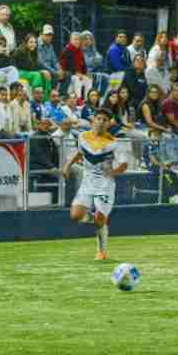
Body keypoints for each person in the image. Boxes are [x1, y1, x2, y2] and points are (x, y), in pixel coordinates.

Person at [62, 108, 128, 260]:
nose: (101, 122)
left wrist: (113, 172)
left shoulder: (114, 143)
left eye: (105, 120)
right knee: (75, 215)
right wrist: (67, 165)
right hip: (87, 182)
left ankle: (101, 251)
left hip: (105, 185)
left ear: (109, 124)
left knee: (100, 219)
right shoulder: (83, 137)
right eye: (98, 119)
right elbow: (79, 153)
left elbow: (124, 164)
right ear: (93, 120)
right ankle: (97, 219)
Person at [14, 33, 51, 100]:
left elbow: (35, 65)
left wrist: (44, 71)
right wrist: (41, 71)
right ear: (26, 43)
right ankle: (35, 99)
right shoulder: (21, 51)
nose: (33, 44)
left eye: (35, 42)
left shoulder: (33, 51)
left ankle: (45, 100)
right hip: (19, 72)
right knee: (37, 75)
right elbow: (28, 67)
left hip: (29, 72)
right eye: (31, 42)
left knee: (46, 75)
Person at [59, 32, 92, 101]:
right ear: (71, 40)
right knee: (77, 79)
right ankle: (78, 100)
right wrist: (77, 73)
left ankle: (86, 100)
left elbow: (83, 64)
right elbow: (69, 65)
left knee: (88, 80)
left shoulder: (79, 50)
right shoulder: (68, 49)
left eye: (78, 39)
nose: (77, 41)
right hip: (70, 74)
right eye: (75, 39)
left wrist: (86, 72)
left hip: (79, 74)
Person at [37, 24, 64, 89]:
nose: (49, 37)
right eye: (46, 35)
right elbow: (41, 63)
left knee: (67, 74)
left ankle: (61, 94)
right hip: (39, 68)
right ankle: (51, 94)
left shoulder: (50, 45)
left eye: (50, 35)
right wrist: (55, 72)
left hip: (50, 69)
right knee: (53, 75)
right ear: (41, 34)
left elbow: (54, 60)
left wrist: (59, 69)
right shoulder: (37, 44)